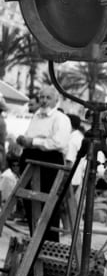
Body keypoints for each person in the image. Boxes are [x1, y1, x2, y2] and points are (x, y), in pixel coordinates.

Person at [16, 85, 71, 243]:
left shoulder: (61, 119)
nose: (44, 101)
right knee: (29, 201)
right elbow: (30, 135)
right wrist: (24, 140)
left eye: (48, 97)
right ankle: (35, 240)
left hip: (49, 161)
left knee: (47, 204)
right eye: (42, 97)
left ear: (55, 100)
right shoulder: (36, 116)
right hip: (30, 157)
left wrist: (34, 141)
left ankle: (50, 244)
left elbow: (59, 143)